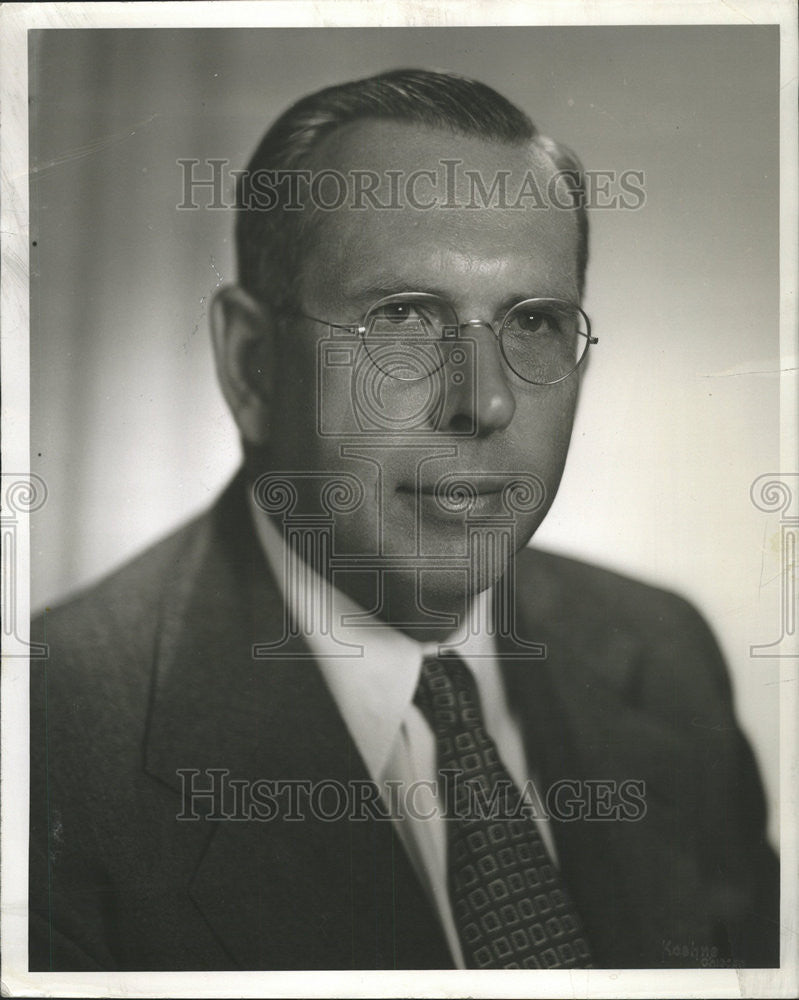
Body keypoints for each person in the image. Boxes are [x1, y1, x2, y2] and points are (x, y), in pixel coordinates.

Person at [29, 68, 778, 972]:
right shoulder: (43, 753)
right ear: (252, 364)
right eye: (403, 319)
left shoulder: (664, 655)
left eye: (534, 322)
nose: (486, 401)